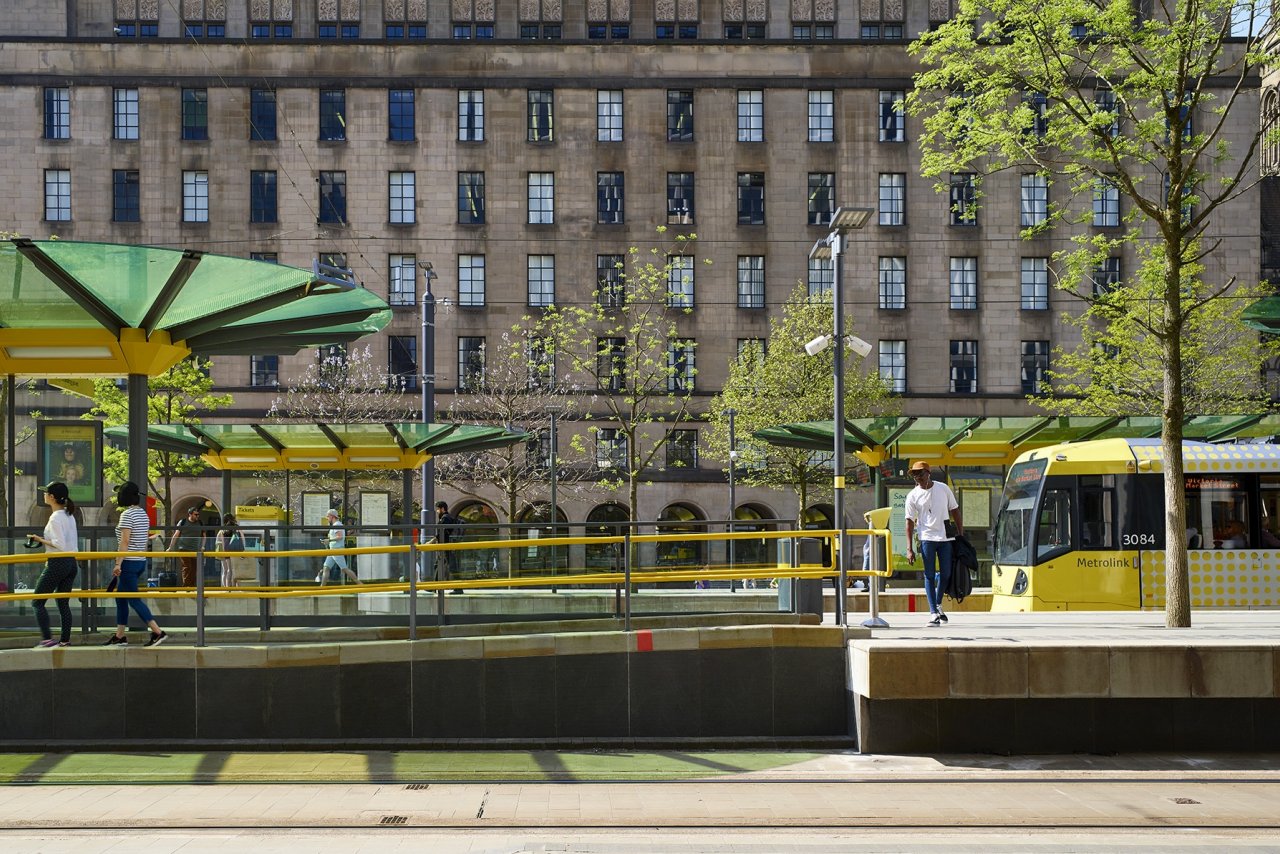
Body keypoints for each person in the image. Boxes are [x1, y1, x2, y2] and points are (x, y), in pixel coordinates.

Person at [105, 481, 167, 646]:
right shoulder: (143, 514)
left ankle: (158, 632)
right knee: (121, 599)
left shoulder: (127, 515)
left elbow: (124, 541)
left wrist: (118, 563)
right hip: (140, 561)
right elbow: (142, 537)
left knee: (133, 599)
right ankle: (120, 636)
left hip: (129, 563)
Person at [904, 460, 963, 627]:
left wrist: (961, 534)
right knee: (929, 575)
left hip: (946, 537)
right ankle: (933, 612)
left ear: (928, 473)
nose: (917, 478)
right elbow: (908, 522)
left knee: (946, 574)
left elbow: (955, 510)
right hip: (927, 538)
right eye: (914, 475)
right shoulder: (912, 495)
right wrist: (909, 548)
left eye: (920, 474)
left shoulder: (943, 488)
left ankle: (937, 604)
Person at [29, 481, 79, 648]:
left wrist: (39, 539)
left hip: (58, 563)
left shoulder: (55, 518)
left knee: (37, 601)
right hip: (72, 563)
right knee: (63, 603)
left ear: (51, 497)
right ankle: (65, 640)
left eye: (46, 493)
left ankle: (47, 638)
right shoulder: (69, 515)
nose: (44, 495)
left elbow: (59, 544)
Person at [318, 508, 360, 585]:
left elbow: (339, 536)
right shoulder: (337, 525)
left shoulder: (337, 525)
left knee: (344, 569)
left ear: (332, 516)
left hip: (336, 550)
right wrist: (328, 541)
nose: (327, 518)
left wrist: (329, 540)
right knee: (326, 568)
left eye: (328, 516)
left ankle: (360, 584)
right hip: (333, 550)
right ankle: (322, 587)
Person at [168, 505, 203, 586]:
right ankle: (186, 587)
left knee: (194, 569)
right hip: (183, 548)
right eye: (195, 514)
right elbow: (176, 535)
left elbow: (204, 536)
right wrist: (170, 547)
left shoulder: (200, 523)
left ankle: (191, 586)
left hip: (195, 549)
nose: (197, 516)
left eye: (198, 514)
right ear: (190, 514)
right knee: (187, 567)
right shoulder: (183, 522)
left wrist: (202, 546)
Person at [435, 501, 464, 594]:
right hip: (446, 546)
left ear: (442, 509)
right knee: (439, 565)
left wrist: (432, 541)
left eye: (438, 509)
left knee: (452, 567)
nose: (437, 511)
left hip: (447, 546)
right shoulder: (447, 517)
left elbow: (441, 533)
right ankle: (433, 587)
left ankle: (458, 588)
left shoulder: (445, 518)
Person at [215, 513, 242, 587]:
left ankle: (225, 587)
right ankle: (233, 586)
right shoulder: (234, 528)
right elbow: (241, 537)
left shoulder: (222, 530)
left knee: (225, 570)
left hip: (222, 550)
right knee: (232, 569)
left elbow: (218, 542)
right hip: (231, 550)